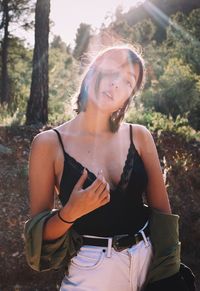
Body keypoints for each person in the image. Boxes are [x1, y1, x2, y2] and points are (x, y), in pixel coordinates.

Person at [28, 44, 175, 291]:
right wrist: (70, 213)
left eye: (129, 82)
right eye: (112, 72)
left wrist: (169, 274)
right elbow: (38, 239)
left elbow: (164, 217)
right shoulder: (49, 144)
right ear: (93, 72)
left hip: (147, 262)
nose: (117, 84)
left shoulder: (139, 136)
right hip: (91, 272)